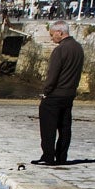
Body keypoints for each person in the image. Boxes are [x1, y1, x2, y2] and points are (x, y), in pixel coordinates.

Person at [33, 20, 84, 167]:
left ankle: (48, 156)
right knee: (64, 127)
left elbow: (53, 75)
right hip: (69, 94)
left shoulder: (60, 50)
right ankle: (62, 157)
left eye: (52, 34)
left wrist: (46, 92)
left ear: (59, 33)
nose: (51, 38)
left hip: (55, 94)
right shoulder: (78, 48)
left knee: (48, 127)